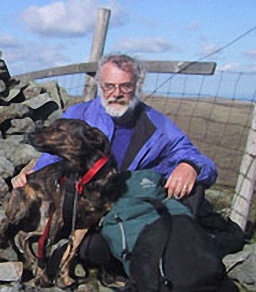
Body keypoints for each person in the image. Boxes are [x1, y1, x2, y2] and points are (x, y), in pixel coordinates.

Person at [14, 53, 217, 207]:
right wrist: (35, 175)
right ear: (100, 84)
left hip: (130, 203)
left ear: (138, 84)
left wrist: (192, 166)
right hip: (82, 202)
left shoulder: (158, 125)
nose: (116, 93)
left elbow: (200, 160)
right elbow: (54, 152)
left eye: (125, 86)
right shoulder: (79, 115)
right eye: (109, 86)